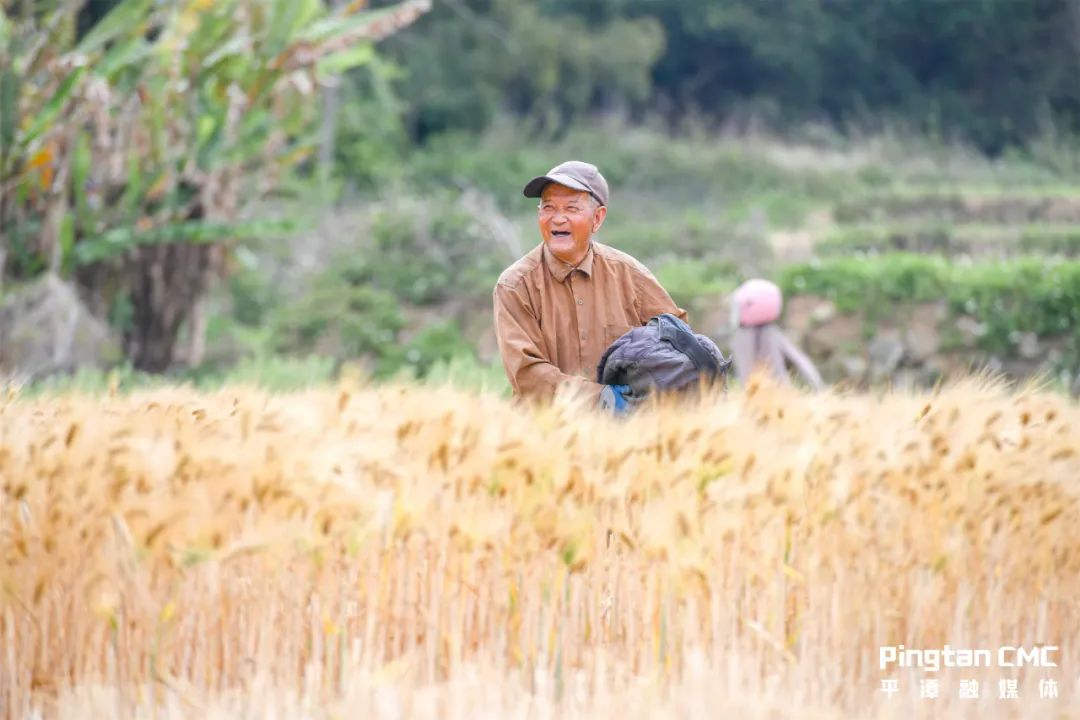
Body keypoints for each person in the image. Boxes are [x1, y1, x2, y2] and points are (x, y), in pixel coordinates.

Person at [493, 160, 687, 404]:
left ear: (597, 218)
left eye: (571, 208)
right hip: (546, 424)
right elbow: (528, 375)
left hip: (629, 426)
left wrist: (647, 395)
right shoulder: (515, 286)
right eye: (548, 207)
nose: (558, 219)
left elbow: (680, 344)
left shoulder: (632, 276)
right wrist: (605, 400)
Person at [730, 278, 824, 390]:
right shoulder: (772, 333)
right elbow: (803, 364)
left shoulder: (742, 336)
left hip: (754, 393)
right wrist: (818, 387)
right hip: (781, 392)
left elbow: (744, 371)